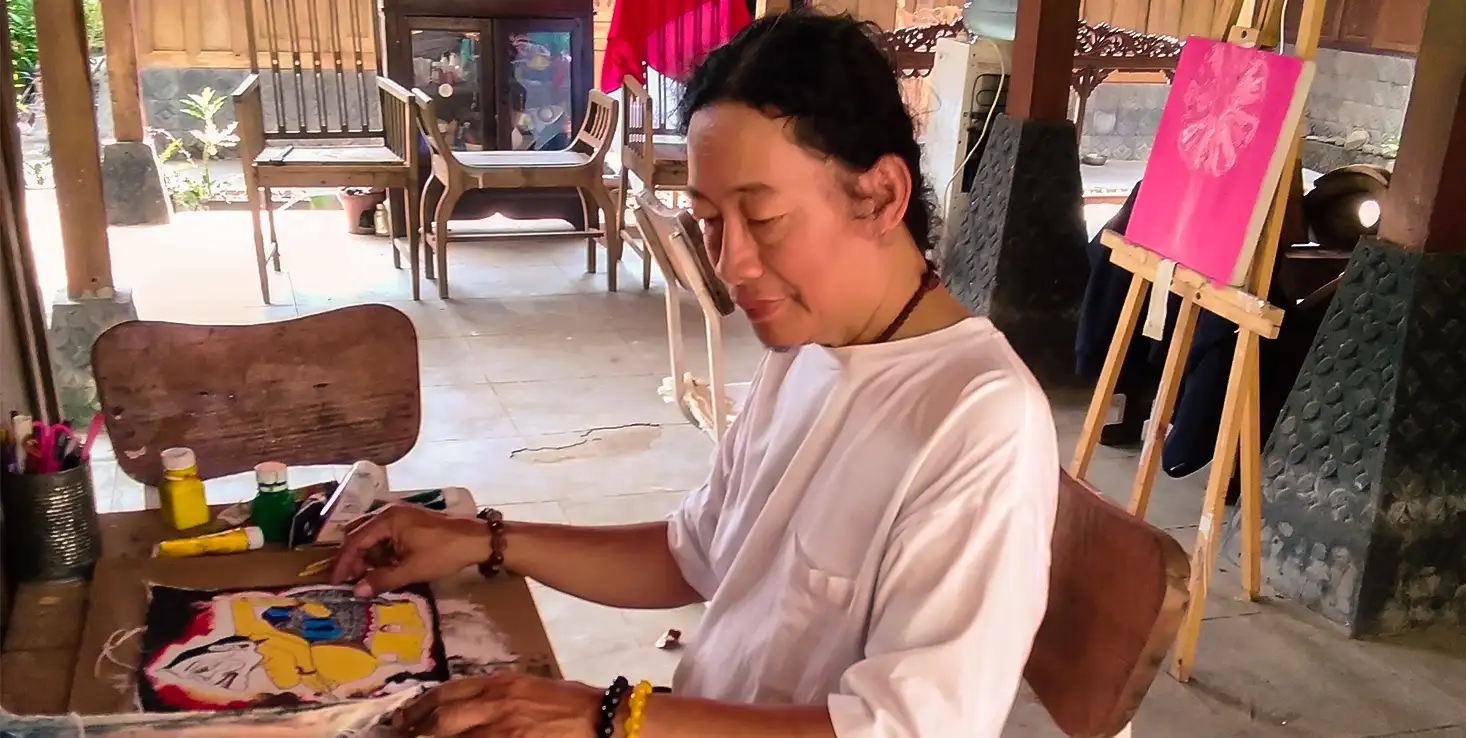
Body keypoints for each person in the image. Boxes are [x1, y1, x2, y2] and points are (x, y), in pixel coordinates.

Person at [333, 10, 1059, 737]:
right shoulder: (809, 346)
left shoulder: (978, 418)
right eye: (710, 220)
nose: (730, 263)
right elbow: (696, 554)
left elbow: (906, 728)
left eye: (764, 218)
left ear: (880, 197)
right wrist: (484, 539)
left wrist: (608, 716)